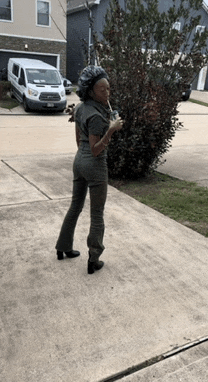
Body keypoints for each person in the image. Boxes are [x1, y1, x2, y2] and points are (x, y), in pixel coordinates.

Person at [55, 65, 123, 274]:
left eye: (108, 89)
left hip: (79, 161)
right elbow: (95, 150)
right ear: (91, 91)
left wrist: (82, 157)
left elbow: (79, 141)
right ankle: (94, 258)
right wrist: (110, 131)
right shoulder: (96, 117)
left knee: (75, 206)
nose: (107, 93)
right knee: (97, 214)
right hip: (94, 164)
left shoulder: (80, 108)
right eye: (102, 90)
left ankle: (63, 247)